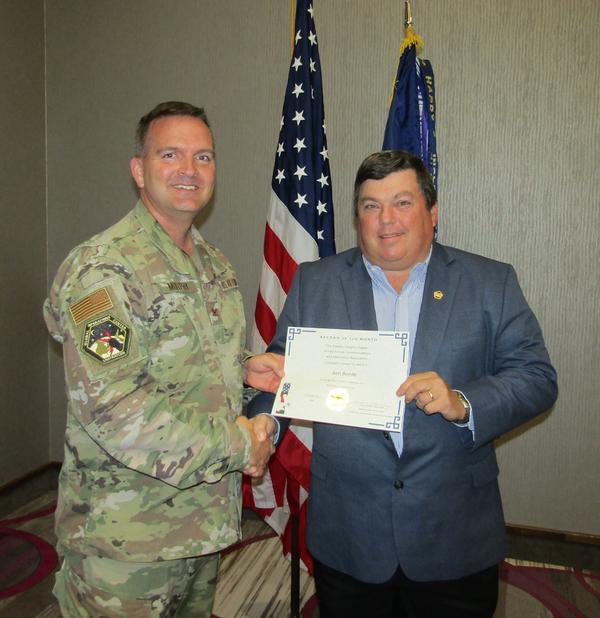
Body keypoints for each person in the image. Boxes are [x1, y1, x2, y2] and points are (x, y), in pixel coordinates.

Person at [249, 150, 558, 617]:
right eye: (371, 205)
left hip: (454, 535)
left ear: (433, 213)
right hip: (349, 532)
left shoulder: (489, 282)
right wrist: (264, 423)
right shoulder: (316, 282)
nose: (386, 219)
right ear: (358, 218)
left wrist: (463, 402)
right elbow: (282, 373)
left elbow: (536, 378)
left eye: (402, 203)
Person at [44, 101, 280, 617]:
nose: (189, 171)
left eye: (203, 157)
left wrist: (240, 366)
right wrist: (239, 445)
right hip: (125, 545)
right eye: (170, 154)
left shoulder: (211, 262)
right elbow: (114, 408)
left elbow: (174, 354)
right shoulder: (102, 271)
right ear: (139, 170)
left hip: (199, 527)